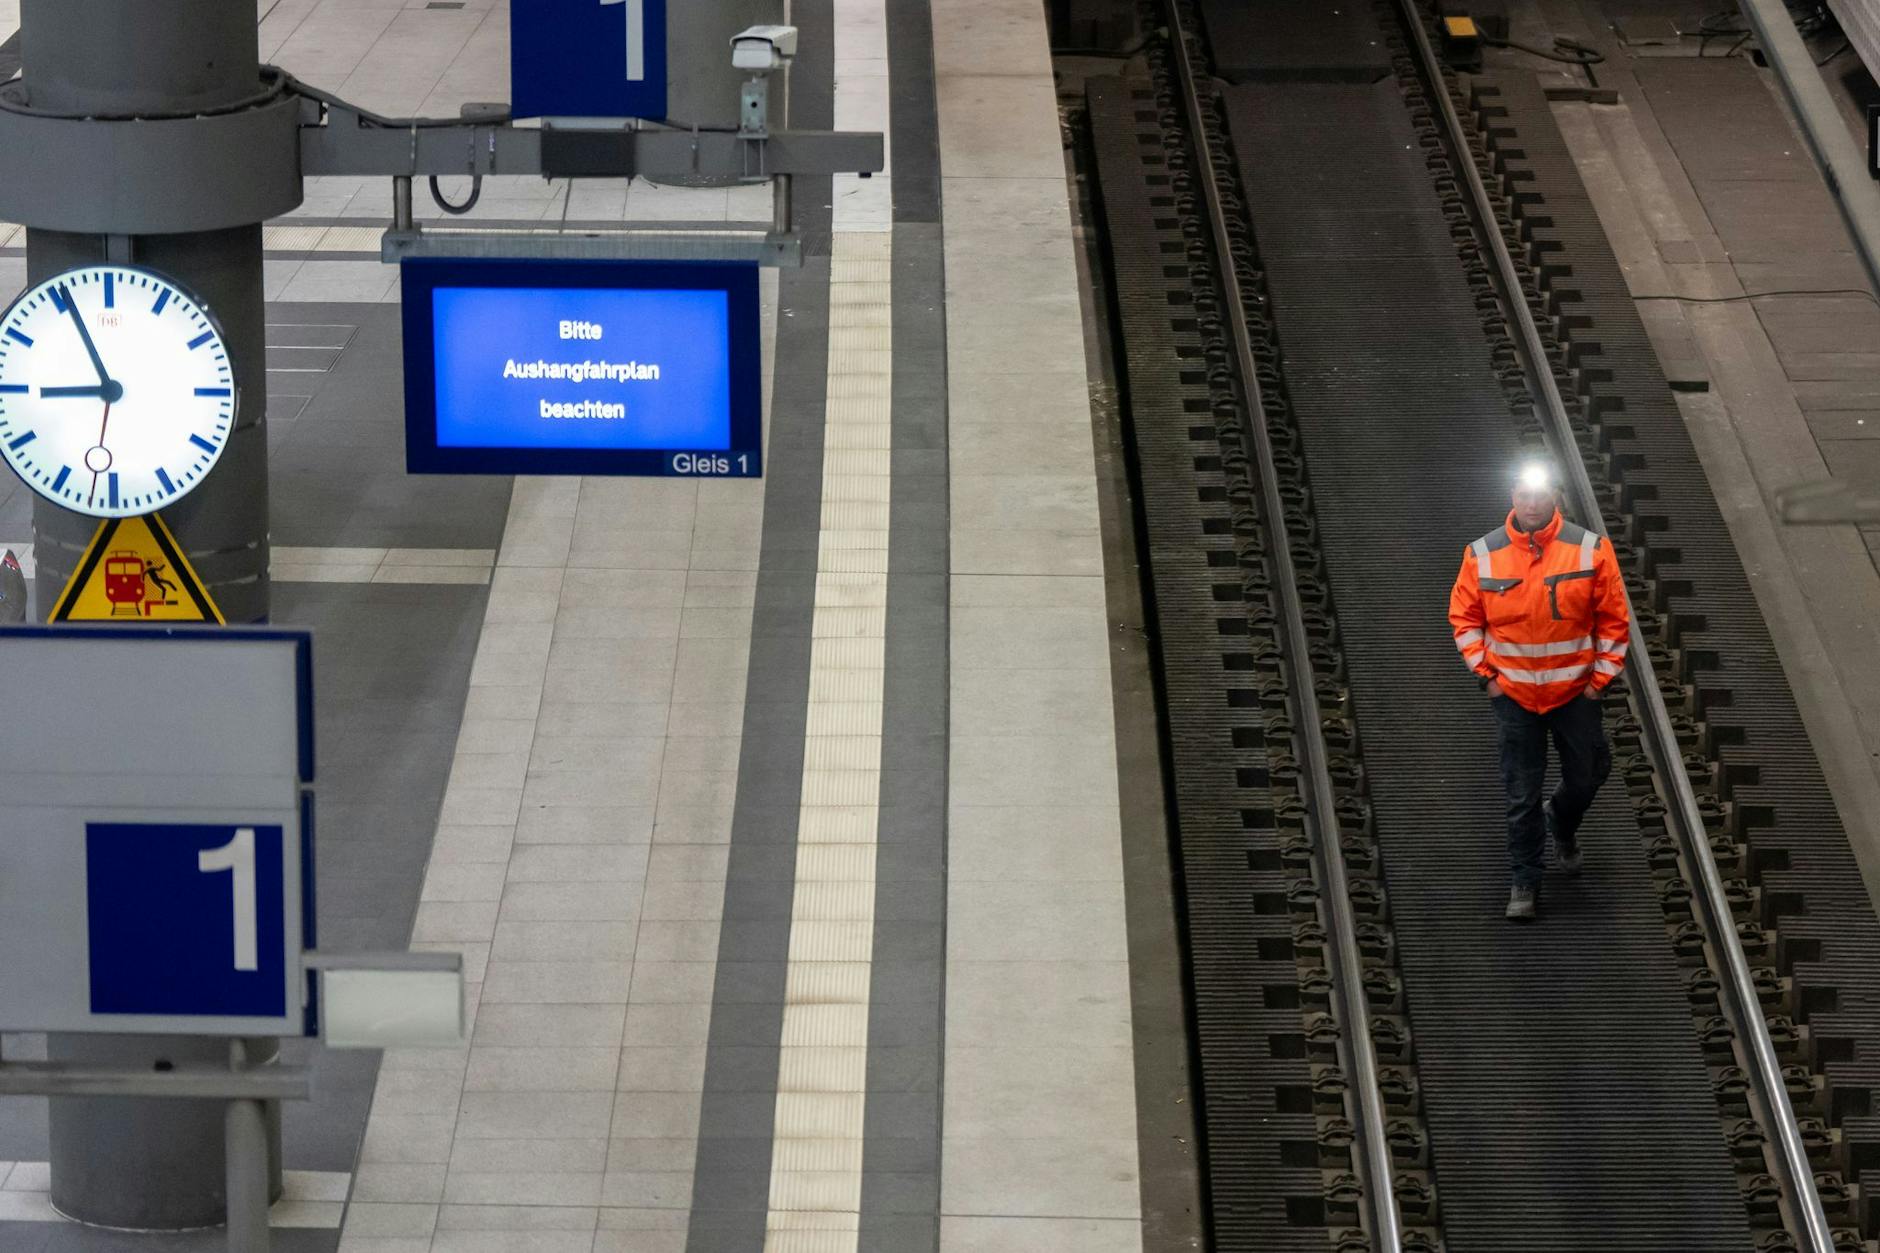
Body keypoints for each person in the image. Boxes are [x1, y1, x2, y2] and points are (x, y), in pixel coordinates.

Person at [1448, 462, 1631, 921]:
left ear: (1554, 496)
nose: (1531, 504)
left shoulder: (1590, 551)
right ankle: (1525, 880)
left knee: (1588, 777)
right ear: (1512, 495)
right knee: (1520, 792)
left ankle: (1561, 823)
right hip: (1515, 696)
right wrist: (1487, 677)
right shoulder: (1483, 554)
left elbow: (1613, 620)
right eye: (1523, 495)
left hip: (1575, 693)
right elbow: (1465, 620)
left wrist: (1598, 683)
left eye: (1539, 495)